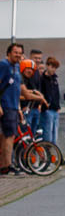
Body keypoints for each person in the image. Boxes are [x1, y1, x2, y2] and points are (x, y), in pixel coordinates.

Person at [0, 42, 24, 176]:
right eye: (16, 52)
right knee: (9, 136)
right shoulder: (3, 65)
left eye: (20, 53)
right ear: (9, 53)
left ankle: (5, 165)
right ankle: (7, 166)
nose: (18, 55)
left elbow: (16, 88)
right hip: (6, 105)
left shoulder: (16, 67)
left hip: (13, 105)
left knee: (7, 136)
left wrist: (19, 108)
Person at [40, 56, 62, 147]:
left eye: (55, 68)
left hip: (55, 108)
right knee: (47, 133)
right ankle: (47, 152)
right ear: (47, 66)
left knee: (54, 134)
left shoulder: (54, 79)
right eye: (52, 67)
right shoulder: (42, 79)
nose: (53, 70)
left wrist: (58, 106)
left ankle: (53, 152)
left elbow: (57, 94)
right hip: (47, 109)